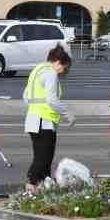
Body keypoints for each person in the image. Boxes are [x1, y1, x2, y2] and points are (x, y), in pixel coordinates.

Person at [23, 44, 75, 193]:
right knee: (44, 157)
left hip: (33, 119)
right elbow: (51, 100)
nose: (63, 72)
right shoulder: (51, 73)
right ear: (58, 62)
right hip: (44, 121)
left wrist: (35, 107)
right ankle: (32, 185)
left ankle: (44, 183)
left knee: (41, 155)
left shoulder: (37, 70)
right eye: (64, 68)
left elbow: (26, 96)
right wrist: (68, 113)